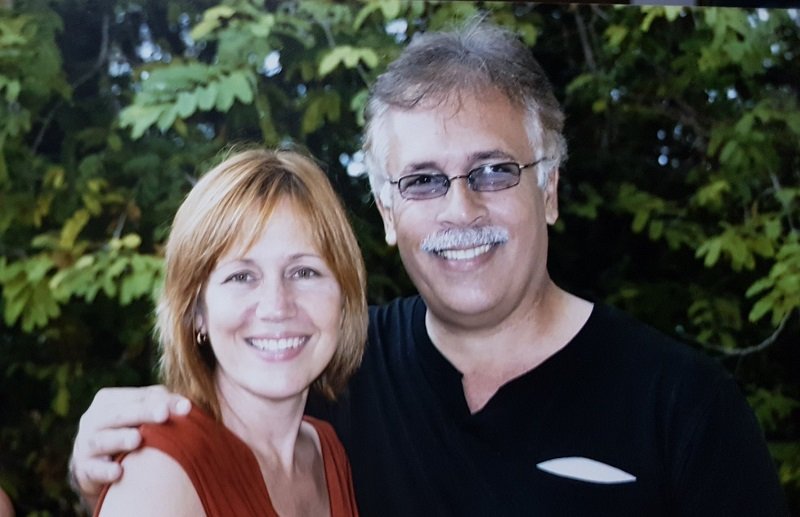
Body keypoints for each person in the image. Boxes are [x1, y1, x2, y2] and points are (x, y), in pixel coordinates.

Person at [70, 20, 788, 516]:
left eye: (494, 170)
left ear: (549, 189)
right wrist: (104, 462)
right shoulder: (328, 373)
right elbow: (199, 454)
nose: (459, 209)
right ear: (387, 212)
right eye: (421, 180)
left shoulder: (683, 408)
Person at [91, 149, 365, 516]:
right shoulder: (159, 476)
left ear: (344, 297)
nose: (277, 307)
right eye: (241, 276)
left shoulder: (325, 449)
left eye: (304, 272)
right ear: (196, 312)